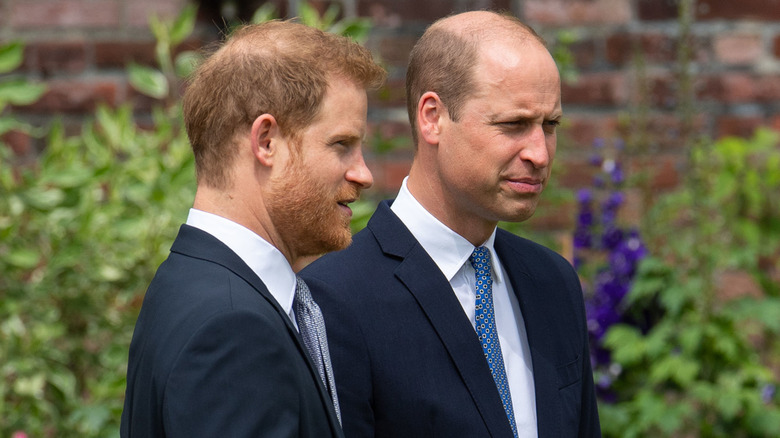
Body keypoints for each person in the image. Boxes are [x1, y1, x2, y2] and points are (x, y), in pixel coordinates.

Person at [300, 10, 601, 438]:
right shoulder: (334, 300)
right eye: (513, 124)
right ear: (432, 117)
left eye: (549, 125)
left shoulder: (553, 282)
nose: (540, 152)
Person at [120, 20, 386, 437]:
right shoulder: (231, 329)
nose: (363, 173)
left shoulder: (192, 283)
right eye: (341, 145)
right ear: (266, 141)